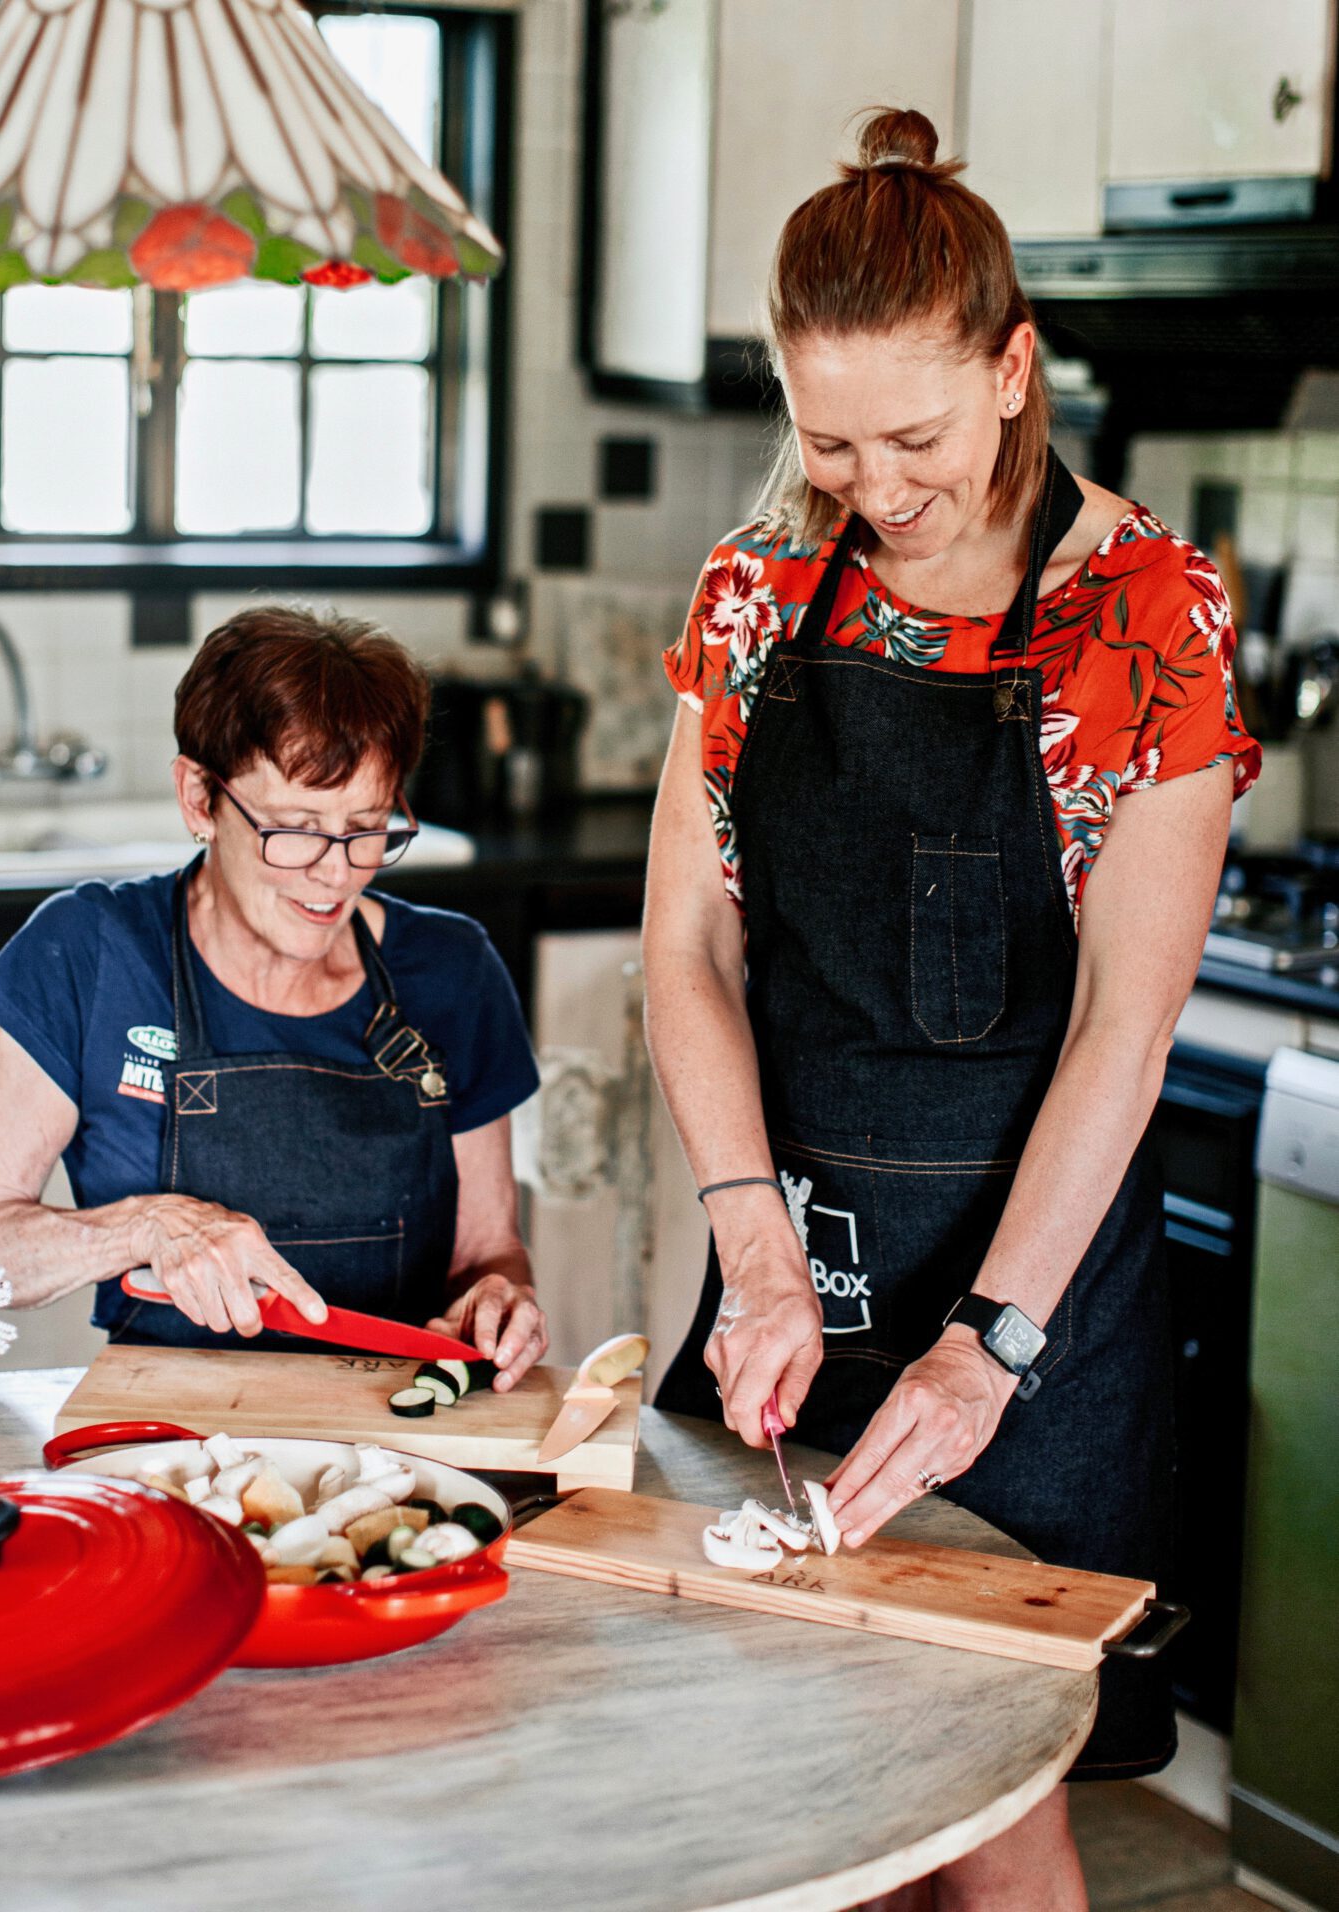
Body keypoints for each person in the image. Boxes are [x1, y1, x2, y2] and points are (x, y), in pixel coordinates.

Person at [643, 108, 1259, 1909]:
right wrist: (751, 1241)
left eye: (912, 438)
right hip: (804, 1265)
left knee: (987, 1794)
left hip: (1037, 1302)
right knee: (799, 1771)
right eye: (828, 441)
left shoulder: (1145, 617)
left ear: (1012, 371)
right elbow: (685, 950)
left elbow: (1124, 1028)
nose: (875, 486)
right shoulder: (759, 592)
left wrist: (988, 1342)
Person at [0, 607, 548, 1386]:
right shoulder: (90, 954)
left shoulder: (451, 971)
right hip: (168, 1427)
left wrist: (499, 1299)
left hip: (401, 1429)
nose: (336, 873)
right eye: (296, 829)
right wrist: (146, 1225)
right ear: (200, 798)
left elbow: (488, 1252)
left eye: (367, 827)